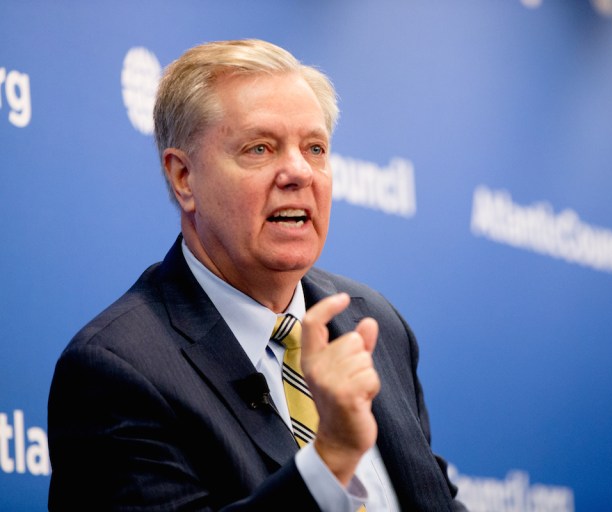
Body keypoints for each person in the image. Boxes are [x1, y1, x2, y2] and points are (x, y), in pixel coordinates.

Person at [47, 39, 465, 511]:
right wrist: (329, 463)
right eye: (260, 148)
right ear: (184, 178)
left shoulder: (377, 327)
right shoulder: (117, 370)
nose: (298, 172)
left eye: (315, 148)